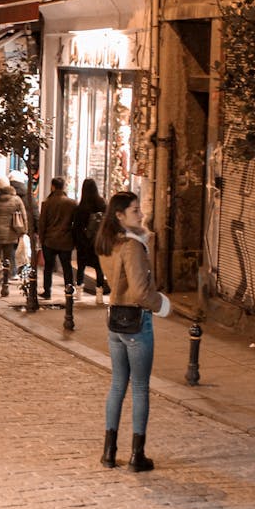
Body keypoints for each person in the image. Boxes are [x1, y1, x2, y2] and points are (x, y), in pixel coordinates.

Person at [95, 192, 171, 472]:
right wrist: (162, 305)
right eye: (135, 210)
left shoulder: (109, 244)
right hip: (137, 322)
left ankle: (109, 451)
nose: (141, 215)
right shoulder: (131, 247)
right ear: (119, 215)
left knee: (117, 385)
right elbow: (140, 292)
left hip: (115, 320)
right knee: (139, 387)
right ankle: (137, 456)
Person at [38, 176, 77, 298]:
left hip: (49, 240)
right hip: (66, 240)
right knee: (67, 267)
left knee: (48, 267)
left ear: (53, 187)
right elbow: (75, 223)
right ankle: (69, 290)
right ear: (63, 187)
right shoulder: (71, 203)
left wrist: (41, 239)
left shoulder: (47, 203)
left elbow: (42, 223)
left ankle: (47, 291)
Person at [0, 176, 26, 281]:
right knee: (10, 254)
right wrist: (24, 230)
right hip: (12, 233)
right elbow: (24, 216)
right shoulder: (16, 199)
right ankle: (12, 273)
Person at [73, 177, 108, 299]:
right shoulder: (102, 204)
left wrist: (78, 242)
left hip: (84, 243)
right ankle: (99, 296)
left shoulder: (81, 208)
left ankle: (79, 293)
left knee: (81, 267)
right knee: (99, 268)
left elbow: (76, 227)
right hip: (97, 242)